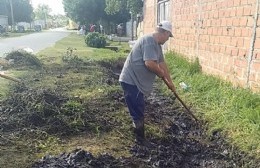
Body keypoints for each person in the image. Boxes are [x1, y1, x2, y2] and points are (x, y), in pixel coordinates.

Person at [119, 20, 175, 145]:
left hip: (136, 82)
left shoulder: (157, 46)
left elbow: (162, 64)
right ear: (165, 33)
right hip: (131, 80)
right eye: (168, 36)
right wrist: (161, 74)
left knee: (138, 108)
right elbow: (149, 63)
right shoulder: (149, 41)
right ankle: (140, 140)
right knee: (138, 109)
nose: (168, 39)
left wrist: (170, 82)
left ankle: (138, 135)